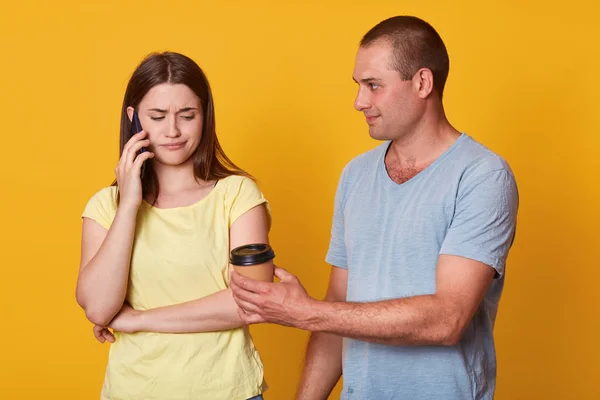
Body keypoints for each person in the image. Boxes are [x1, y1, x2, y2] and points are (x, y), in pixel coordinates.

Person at [230, 15, 519, 400]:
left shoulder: (483, 176)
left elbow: (447, 318)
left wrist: (306, 312)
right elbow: (338, 306)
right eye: (358, 86)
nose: (358, 101)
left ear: (421, 82)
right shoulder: (356, 175)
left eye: (373, 86)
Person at [76, 51, 269, 400]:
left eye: (187, 115)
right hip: (131, 391)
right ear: (133, 118)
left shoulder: (237, 195)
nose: (173, 130)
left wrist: (138, 320)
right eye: (157, 116)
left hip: (228, 392)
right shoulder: (106, 207)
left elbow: (249, 304)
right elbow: (99, 308)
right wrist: (130, 205)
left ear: (205, 116)